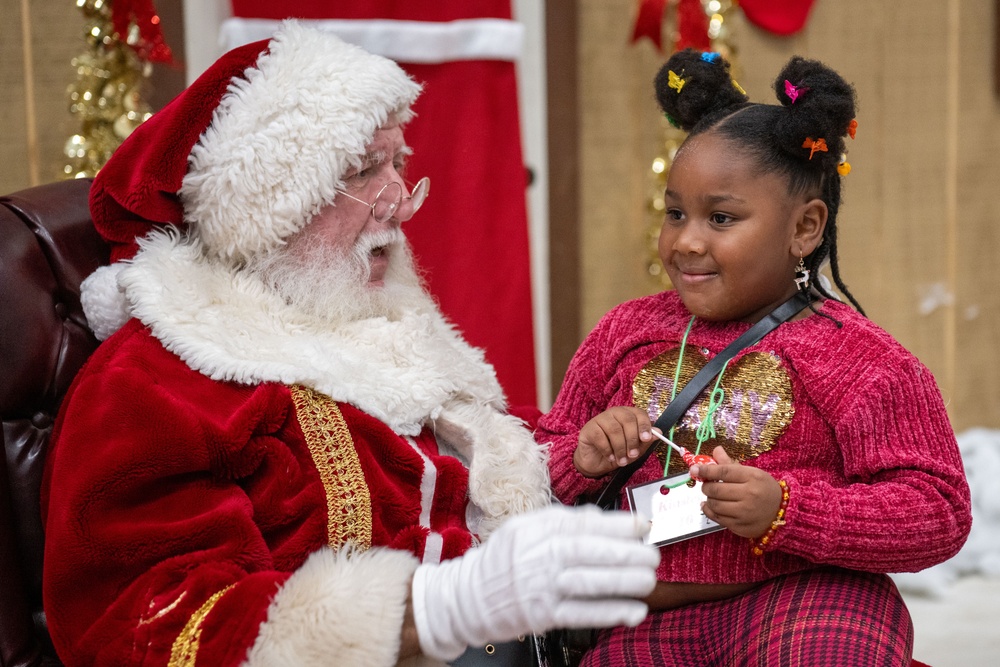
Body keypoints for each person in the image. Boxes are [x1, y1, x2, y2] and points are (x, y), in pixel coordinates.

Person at [40, 21, 662, 667]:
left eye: (400, 164)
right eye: (365, 170)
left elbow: (478, 457)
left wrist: (575, 462)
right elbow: (145, 620)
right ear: (268, 205)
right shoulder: (156, 381)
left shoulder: (374, 320)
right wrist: (435, 608)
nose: (398, 202)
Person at [537, 48, 972, 666]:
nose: (687, 240)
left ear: (805, 228)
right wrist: (580, 458)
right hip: (651, 612)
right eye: (676, 213)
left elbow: (939, 511)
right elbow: (534, 465)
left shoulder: (861, 360)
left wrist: (790, 511)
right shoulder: (624, 332)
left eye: (721, 217)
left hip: (811, 596)